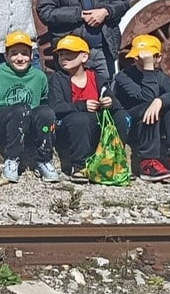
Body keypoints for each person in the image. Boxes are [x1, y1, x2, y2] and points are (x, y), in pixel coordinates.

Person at [47, 35, 129, 183]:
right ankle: (80, 166)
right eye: (61, 54)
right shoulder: (57, 79)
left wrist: (109, 101)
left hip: (95, 125)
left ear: (84, 57)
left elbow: (115, 101)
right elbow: (56, 107)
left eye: (69, 54)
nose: (63, 58)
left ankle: (115, 162)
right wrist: (81, 105)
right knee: (80, 118)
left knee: (121, 116)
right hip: (70, 126)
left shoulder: (96, 78)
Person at [0, 31, 59, 183]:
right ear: (6, 56)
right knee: (20, 109)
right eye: (14, 53)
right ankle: (12, 159)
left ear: (31, 55)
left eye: (24, 53)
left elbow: (43, 103)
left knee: (46, 112)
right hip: (0, 124)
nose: (20, 58)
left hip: (27, 125)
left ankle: (43, 160)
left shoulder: (40, 77)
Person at [113, 35, 170, 183]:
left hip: (153, 124)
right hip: (132, 123)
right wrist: (149, 69)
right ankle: (148, 162)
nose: (140, 61)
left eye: (146, 58)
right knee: (148, 107)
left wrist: (160, 100)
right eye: (138, 57)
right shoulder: (123, 77)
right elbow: (145, 97)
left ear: (158, 58)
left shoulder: (161, 76)